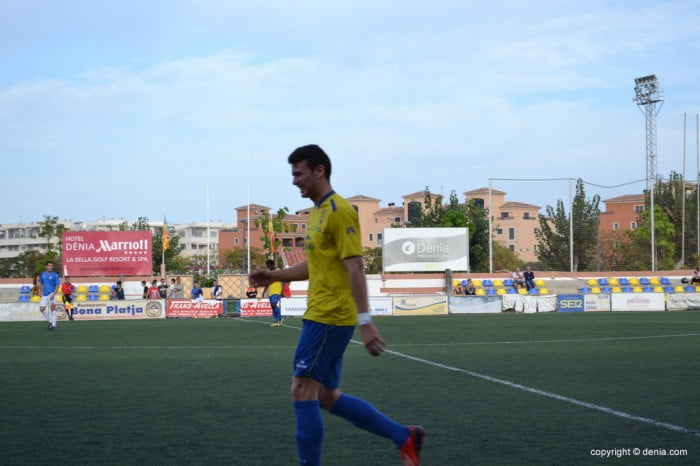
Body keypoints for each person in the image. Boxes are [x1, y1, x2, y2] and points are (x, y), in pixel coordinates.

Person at [250, 144, 424, 466]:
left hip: (329, 318)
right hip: (322, 314)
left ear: (320, 171)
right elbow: (313, 266)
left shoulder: (340, 211)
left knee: (301, 391)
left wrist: (366, 321)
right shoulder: (315, 212)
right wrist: (273, 274)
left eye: (298, 173)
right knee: (326, 397)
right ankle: (404, 437)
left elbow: (355, 266)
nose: (294, 181)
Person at [38, 260, 61, 331]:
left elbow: (57, 285)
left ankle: (53, 325)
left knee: (52, 309)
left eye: (51, 266)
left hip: (51, 293)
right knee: (42, 309)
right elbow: (41, 283)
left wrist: (54, 294)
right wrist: (40, 291)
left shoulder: (55, 275)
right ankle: (50, 321)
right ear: (46, 266)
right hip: (44, 294)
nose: (50, 267)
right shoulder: (42, 274)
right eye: (49, 265)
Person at [263, 259, 284, 327]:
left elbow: (283, 280)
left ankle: (277, 320)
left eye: (269, 266)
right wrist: (264, 291)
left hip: (277, 291)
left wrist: (282, 291)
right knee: (273, 306)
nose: (268, 267)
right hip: (270, 292)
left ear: (272, 265)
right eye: (267, 266)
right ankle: (278, 319)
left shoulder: (278, 271)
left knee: (273, 305)